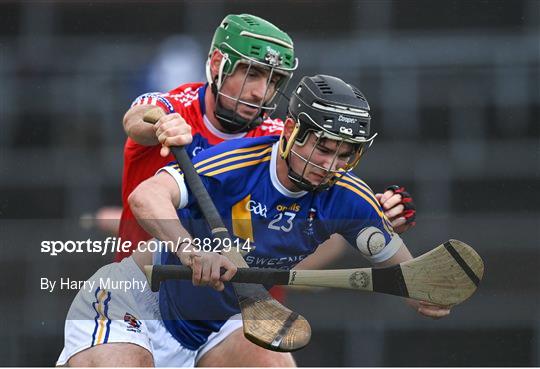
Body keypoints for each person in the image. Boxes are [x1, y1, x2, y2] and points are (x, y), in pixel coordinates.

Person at [57, 75, 447, 367]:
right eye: (323, 148)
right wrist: (193, 254)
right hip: (136, 301)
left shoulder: (348, 197)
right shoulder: (237, 162)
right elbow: (146, 197)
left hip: (216, 323)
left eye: (345, 154)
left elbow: (413, 283)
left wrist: (432, 292)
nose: (331, 165)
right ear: (292, 131)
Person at [117, 13, 416, 264]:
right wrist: (160, 125)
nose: (261, 92)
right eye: (252, 74)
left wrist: (376, 210)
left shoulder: (278, 137)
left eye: (273, 80)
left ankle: (267, 283)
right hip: (146, 283)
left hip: (224, 303)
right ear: (218, 64)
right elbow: (137, 118)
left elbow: (330, 181)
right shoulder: (177, 106)